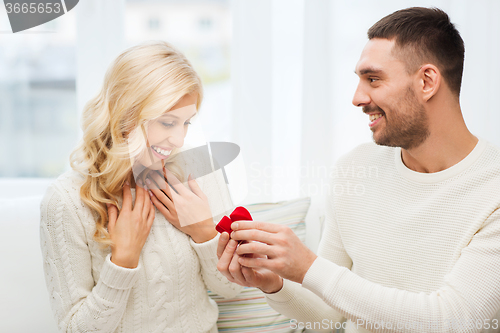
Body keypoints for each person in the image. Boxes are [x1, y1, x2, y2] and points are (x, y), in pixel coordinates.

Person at [216, 7, 500, 333]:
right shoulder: (355, 169)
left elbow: (451, 320)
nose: (357, 98)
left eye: (373, 79)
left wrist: (309, 267)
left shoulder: (492, 190)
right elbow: (330, 315)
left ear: (427, 81)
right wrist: (275, 284)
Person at [39, 41, 242, 333]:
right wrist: (124, 259)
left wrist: (204, 232)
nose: (179, 141)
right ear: (125, 116)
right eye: (167, 122)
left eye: (186, 123)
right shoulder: (66, 201)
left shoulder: (198, 171)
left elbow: (232, 290)